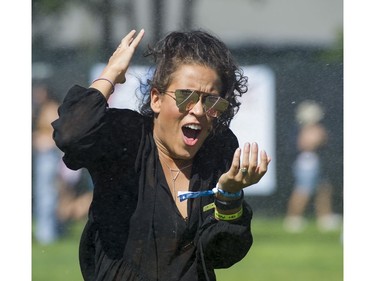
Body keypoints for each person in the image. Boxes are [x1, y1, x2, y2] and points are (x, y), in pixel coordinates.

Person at [52, 29, 271, 281]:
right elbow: (71, 134)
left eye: (211, 101)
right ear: (156, 99)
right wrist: (111, 73)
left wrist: (229, 197)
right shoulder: (126, 137)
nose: (198, 110)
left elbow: (220, 254)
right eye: (185, 96)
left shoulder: (218, 149)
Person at [284, 100, 341, 233]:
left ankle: (325, 218)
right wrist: (317, 138)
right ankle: (293, 218)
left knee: (324, 188)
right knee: (303, 189)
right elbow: (305, 144)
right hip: (307, 161)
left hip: (314, 160)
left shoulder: (313, 128)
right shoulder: (305, 129)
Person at [32, 84, 62, 244]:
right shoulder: (41, 109)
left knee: (47, 195)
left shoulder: (51, 109)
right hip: (43, 157)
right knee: (44, 194)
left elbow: (57, 135)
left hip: (49, 157)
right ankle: (45, 232)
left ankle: (47, 234)